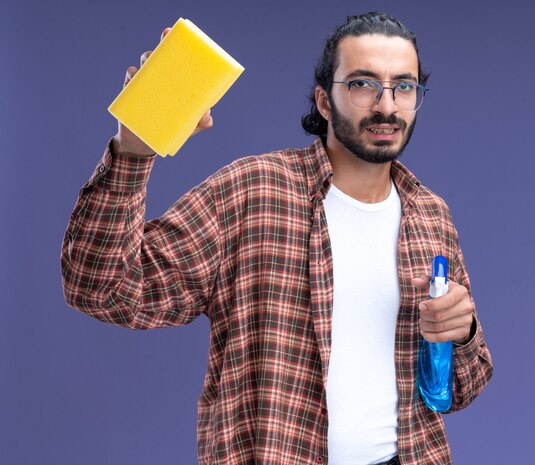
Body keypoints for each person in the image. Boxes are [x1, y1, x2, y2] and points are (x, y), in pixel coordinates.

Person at [61, 11, 493, 465]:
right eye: (363, 84)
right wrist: (134, 148)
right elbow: (102, 288)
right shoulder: (252, 191)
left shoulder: (431, 215)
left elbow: (460, 388)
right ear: (325, 102)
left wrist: (461, 336)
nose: (386, 106)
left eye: (403, 86)